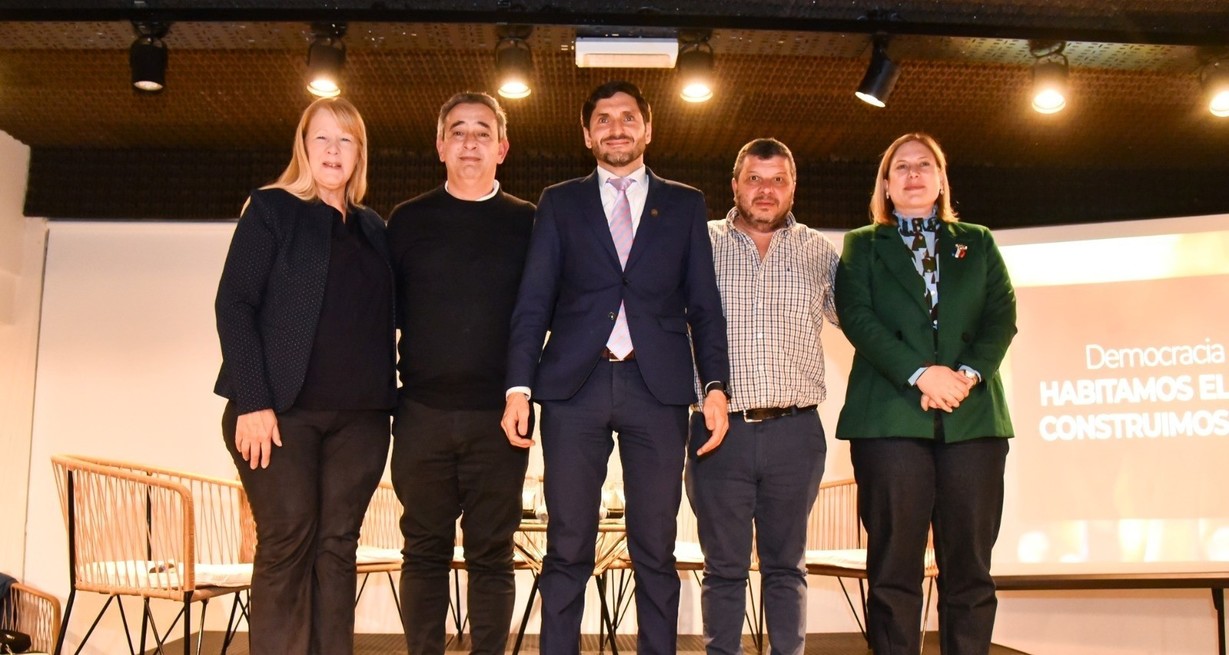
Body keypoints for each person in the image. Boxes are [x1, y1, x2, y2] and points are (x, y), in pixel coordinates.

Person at [500, 80, 730, 655]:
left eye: (628, 117)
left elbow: (705, 306)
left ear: (648, 129)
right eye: (603, 118)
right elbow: (533, 301)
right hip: (572, 389)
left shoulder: (684, 203)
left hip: (658, 390)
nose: (617, 127)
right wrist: (518, 387)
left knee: (655, 547)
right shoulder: (559, 202)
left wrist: (716, 386)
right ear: (587, 134)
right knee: (567, 545)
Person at [214, 96, 395, 655]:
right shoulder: (272, 209)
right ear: (304, 146)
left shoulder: (374, 228)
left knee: (337, 548)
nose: (333, 150)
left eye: (346, 139)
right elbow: (234, 305)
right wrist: (252, 401)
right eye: (322, 138)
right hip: (278, 413)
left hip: (361, 419)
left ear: (359, 152)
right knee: (288, 540)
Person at [835, 132, 1017, 655]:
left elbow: (1001, 316)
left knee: (970, 570)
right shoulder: (862, 244)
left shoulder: (978, 241)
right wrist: (921, 375)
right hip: (889, 422)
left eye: (924, 165)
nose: (913, 174)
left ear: (941, 180)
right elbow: (858, 318)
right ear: (886, 185)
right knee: (894, 569)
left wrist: (963, 377)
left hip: (973, 420)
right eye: (901, 167)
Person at [385, 91, 535, 655]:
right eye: (458, 131)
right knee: (423, 551)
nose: (470, 142)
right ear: (440, 145)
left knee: (491, 555)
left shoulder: (530, 223)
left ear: (502, 148)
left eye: (482, 132)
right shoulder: (407, 221)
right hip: (420, 415)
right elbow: (381, 317)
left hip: (500, 418)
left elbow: (542, 315)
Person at [686, 138, 840, 655]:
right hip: (718, 432)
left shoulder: (819, 251)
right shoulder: (700, 242)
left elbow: (862, 320)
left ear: (793, 187)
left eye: (778, 180)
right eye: (755, 178)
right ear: (735, 185)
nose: (766, 190)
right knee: (723, 568)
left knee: (786, 567)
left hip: (796, 433)